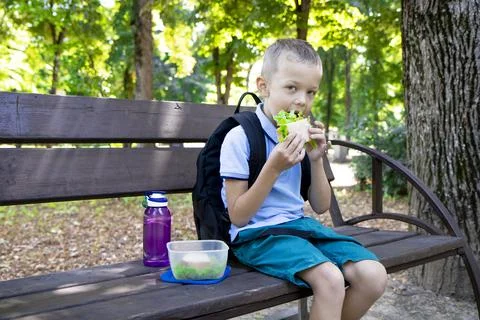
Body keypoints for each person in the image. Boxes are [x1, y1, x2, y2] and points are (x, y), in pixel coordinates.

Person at [219, 38, 388, 320]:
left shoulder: (301, 135)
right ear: (264, 86)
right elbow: (238, 216)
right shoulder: (239, 138)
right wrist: (273, 168)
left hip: (299, 228)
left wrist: (317, 159)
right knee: (330, 280)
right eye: (291, 88)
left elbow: (321, 206)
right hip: (256, 235)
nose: (302, 101)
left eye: (311, 92)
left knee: (373, 275)